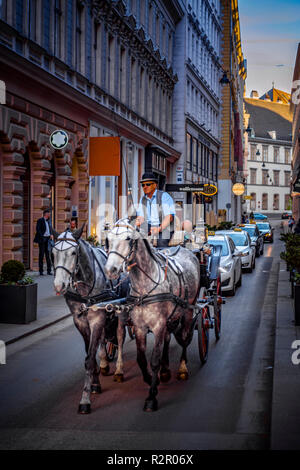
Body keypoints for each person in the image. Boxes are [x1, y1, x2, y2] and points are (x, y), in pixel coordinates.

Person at [136, 172, 175, 248]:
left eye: (148, 184)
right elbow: (141, 216)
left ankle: (163, 258)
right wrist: (138, 222)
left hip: (164, 226)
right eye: (143, 185)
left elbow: (169, 217)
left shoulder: (164, 196)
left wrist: (159, 229)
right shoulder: (142, 199)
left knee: (161, 243)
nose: (145, 187)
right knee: (133, 241)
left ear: (155, 185)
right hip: (149, 226)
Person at [33, 209, 54, 275]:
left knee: (48, 255)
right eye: (49, 213)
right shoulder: (40, 220)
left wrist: (51, 234)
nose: (50, 214)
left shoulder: (49, 221)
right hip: (42, 240)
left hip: (48, 239)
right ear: (46, 214)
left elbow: (50, 229)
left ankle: (49, 271)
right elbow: (38, 229)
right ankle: (41, 271)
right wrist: (42, 236)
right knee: (41, 255)